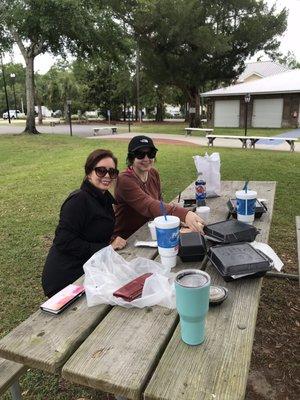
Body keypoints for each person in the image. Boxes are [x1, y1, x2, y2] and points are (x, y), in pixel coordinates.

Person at [42, 149, 126, 297]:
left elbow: (92, 232)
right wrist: (107, 247)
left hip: (90, 269)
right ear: (88, 173)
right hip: (67, 277)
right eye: (101, 171)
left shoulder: (103, 198)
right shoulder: (78, 201)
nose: (107, 176)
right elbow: (64, 241)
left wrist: (110, 241)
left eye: (112, 172)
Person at [114, 135, 205, 239]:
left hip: (151, 230)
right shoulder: (124, 180)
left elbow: (159, 203)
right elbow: (148, 204)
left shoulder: (153, 173)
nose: (146, 159)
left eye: (151, 154)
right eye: (140, 154)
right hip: (128, 238)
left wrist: (175, 219)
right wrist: (184, 214)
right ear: (131, 157)